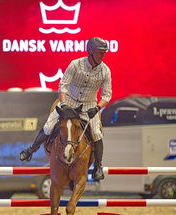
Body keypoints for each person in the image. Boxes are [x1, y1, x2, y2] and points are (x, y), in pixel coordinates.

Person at [20, 37, 112, 180]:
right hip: (68, 101)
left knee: (96, 133)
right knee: (49, 126)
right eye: (99, 52)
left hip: (89, 105)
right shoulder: (75, 65)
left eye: (103, 52)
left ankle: (98, 166)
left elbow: (107, 95)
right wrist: (63, 104)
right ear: (90, 52)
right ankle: (31, 150)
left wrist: (97, 107)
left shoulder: (105, 71)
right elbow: (63, 85)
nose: (102, 55)